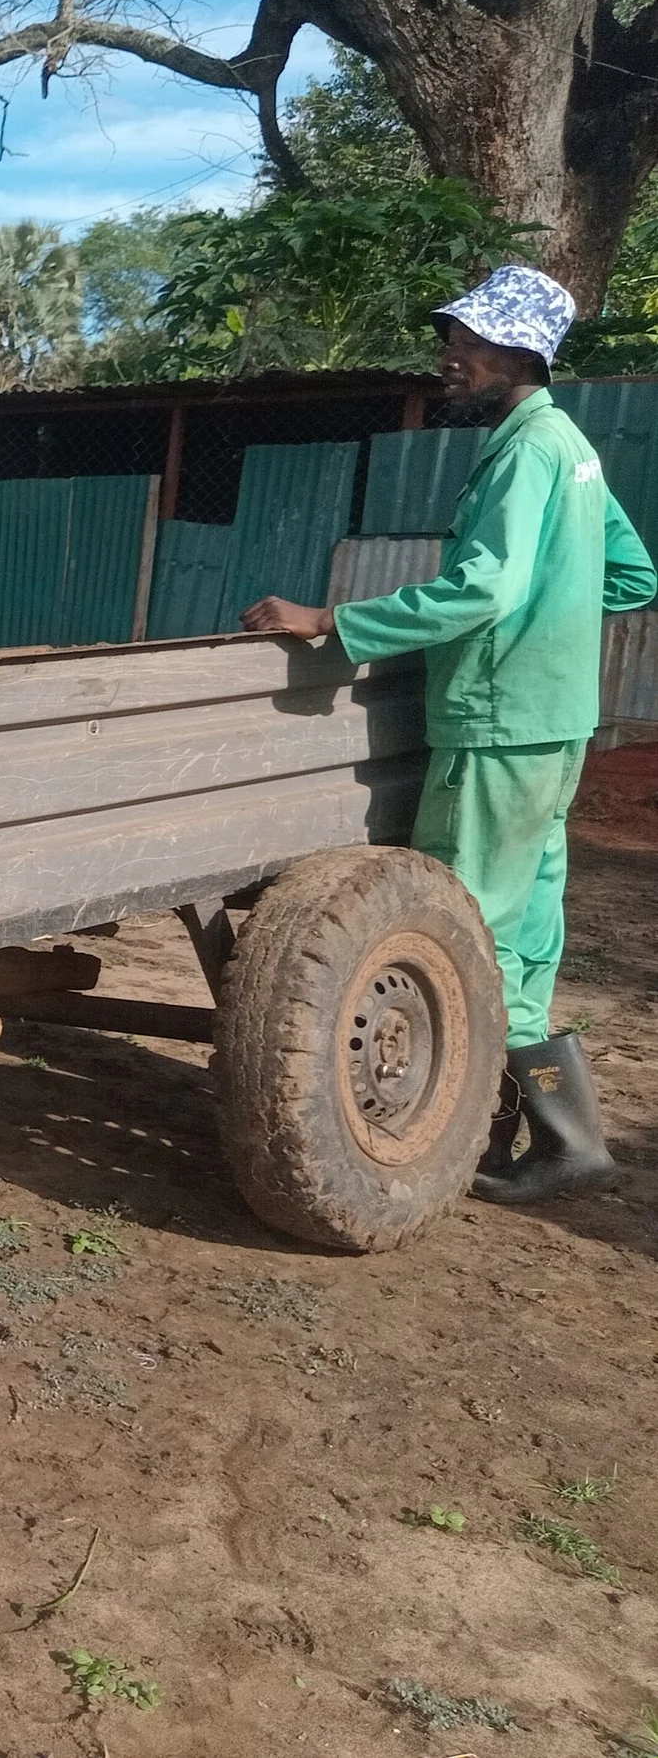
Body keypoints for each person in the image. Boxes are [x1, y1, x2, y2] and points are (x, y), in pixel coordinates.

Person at [242, 265, 657, 1204]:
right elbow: (630, 577)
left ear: (519, 350)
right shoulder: (568, 445)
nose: (449, 357)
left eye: (466, 342)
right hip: (552, 727)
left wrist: (331, 621)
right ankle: (568, 1137)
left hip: (501, 722)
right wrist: (551, 610)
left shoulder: (526, 450)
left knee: (454, 924)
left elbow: (483, 588)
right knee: (522, 936)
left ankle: (457, 1120)